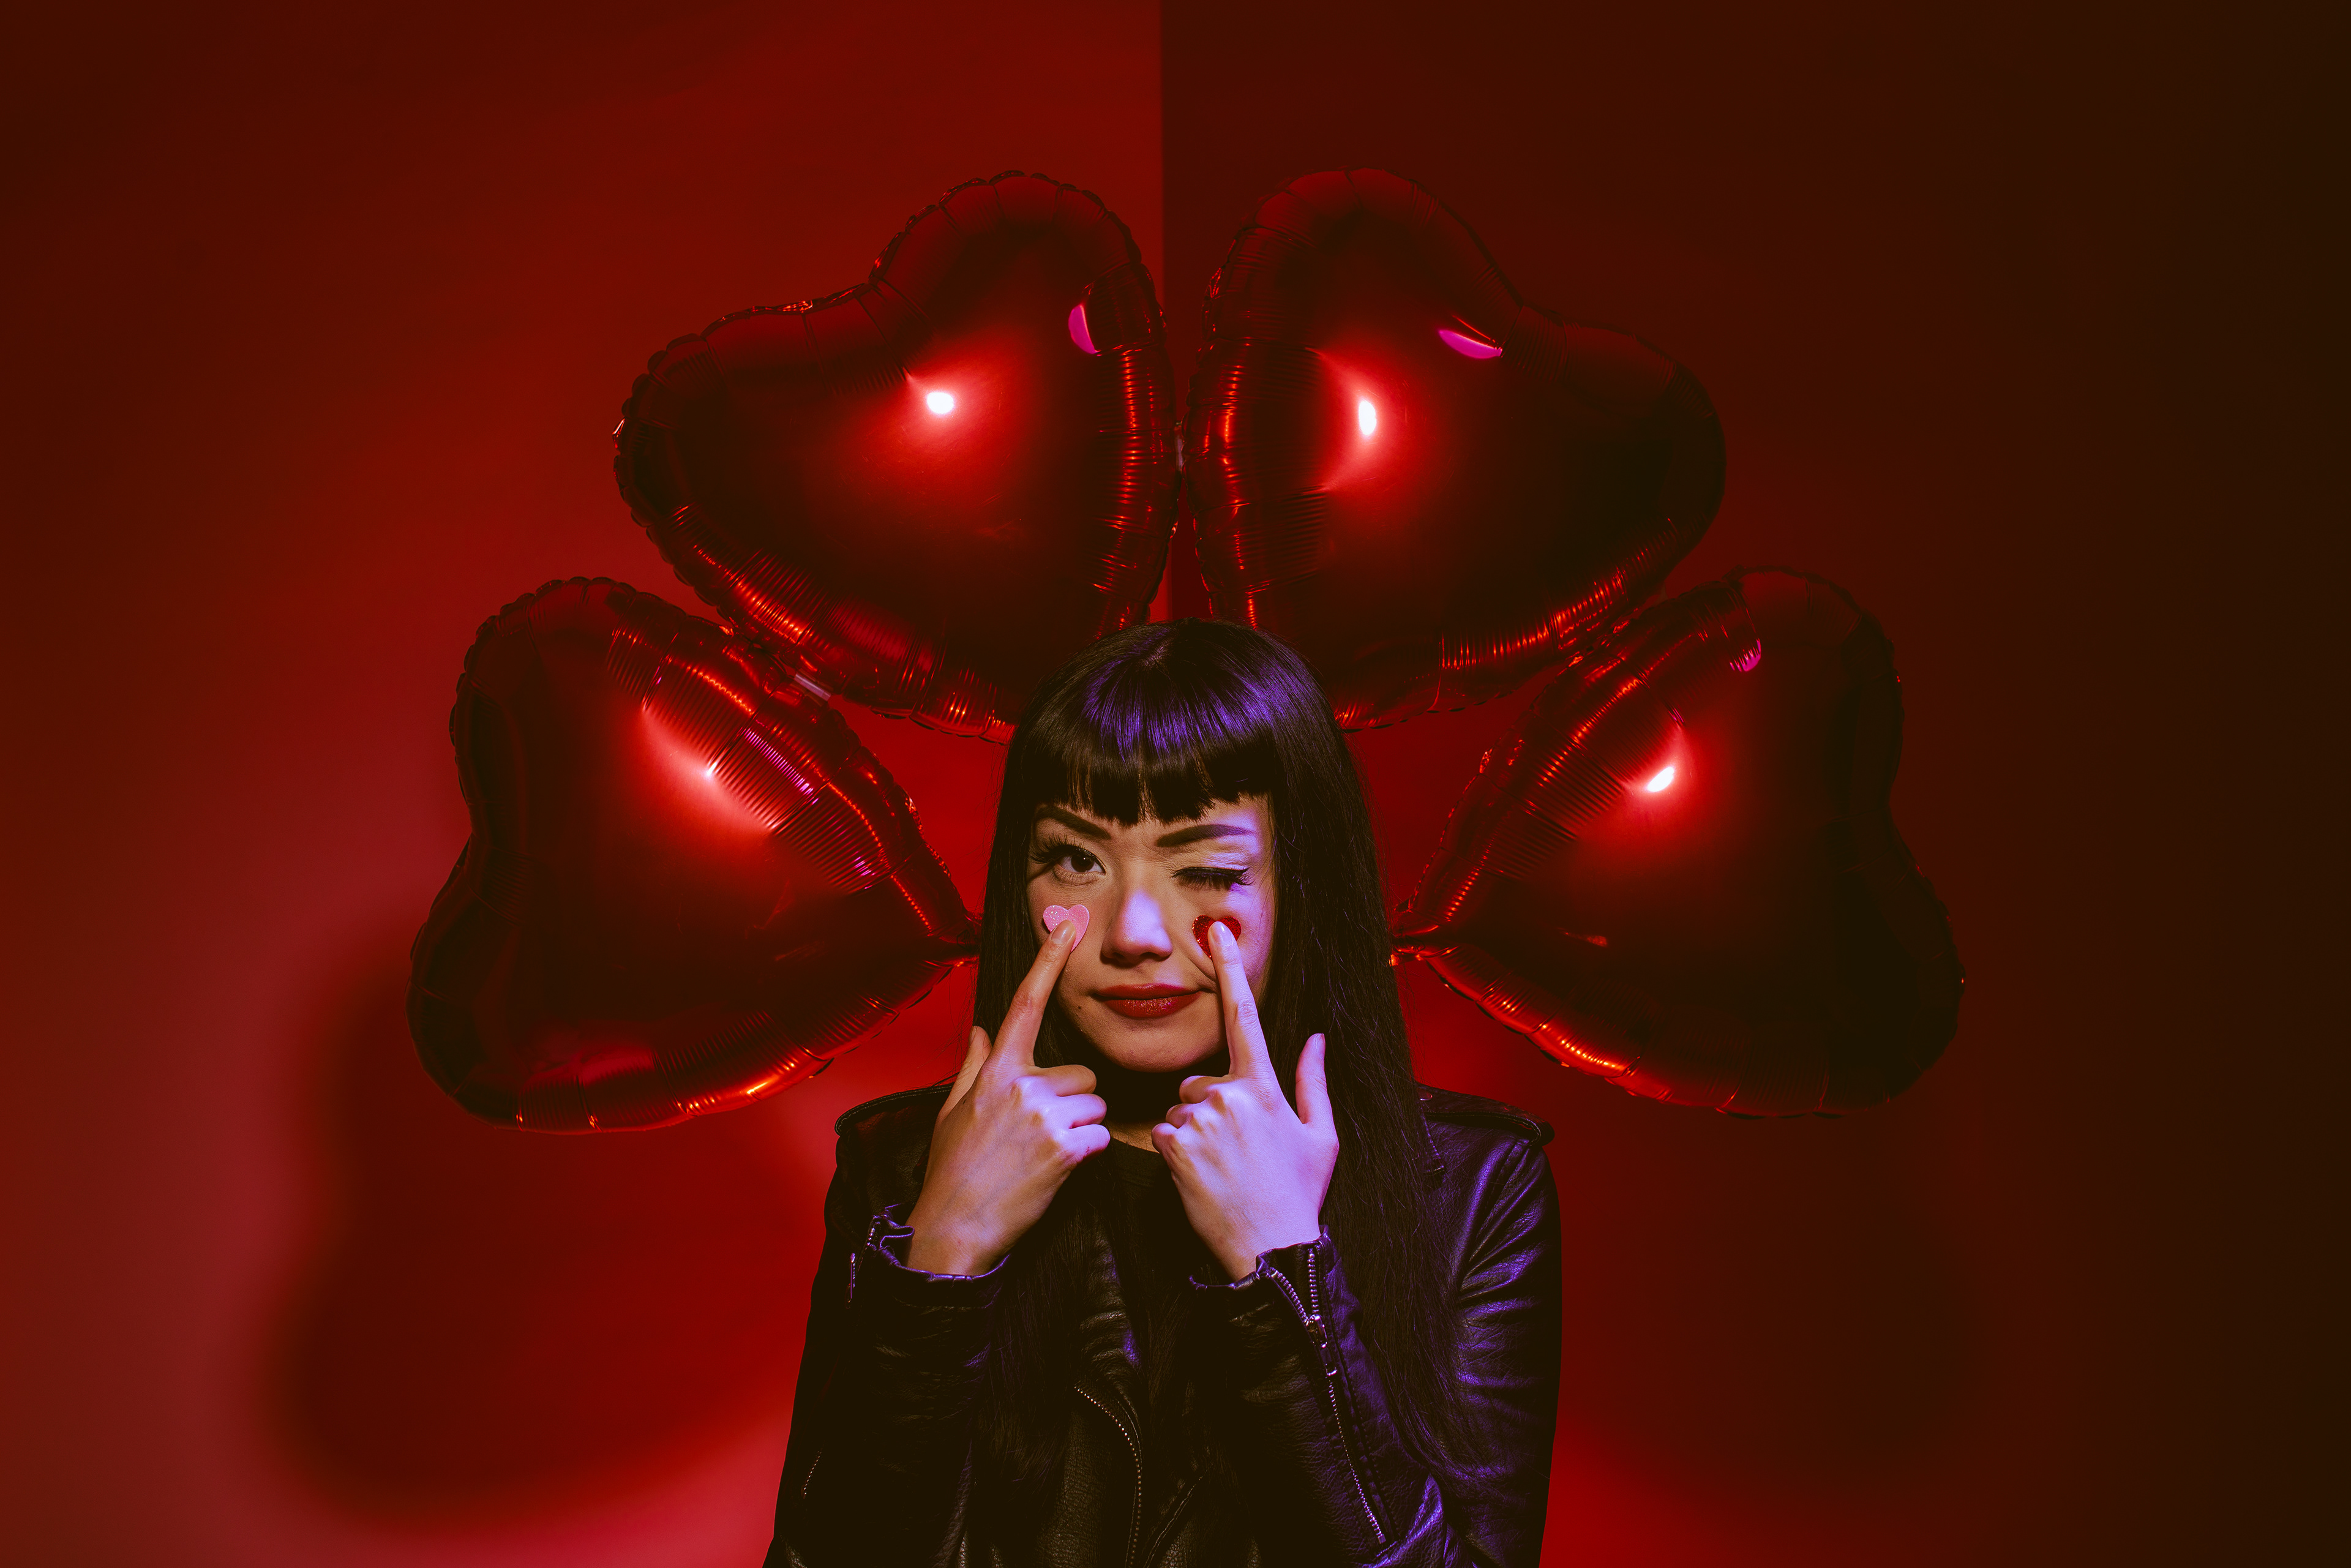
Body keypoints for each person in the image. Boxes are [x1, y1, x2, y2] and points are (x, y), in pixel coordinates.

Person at [764, 619, 1561, 1567]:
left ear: (1302, 885)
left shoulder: (1472, 1189)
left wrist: (1284, 1269)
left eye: (1208, 869)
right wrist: (942, 1255)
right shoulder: (901, 1168)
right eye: (1077, 860)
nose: (1134, 931)